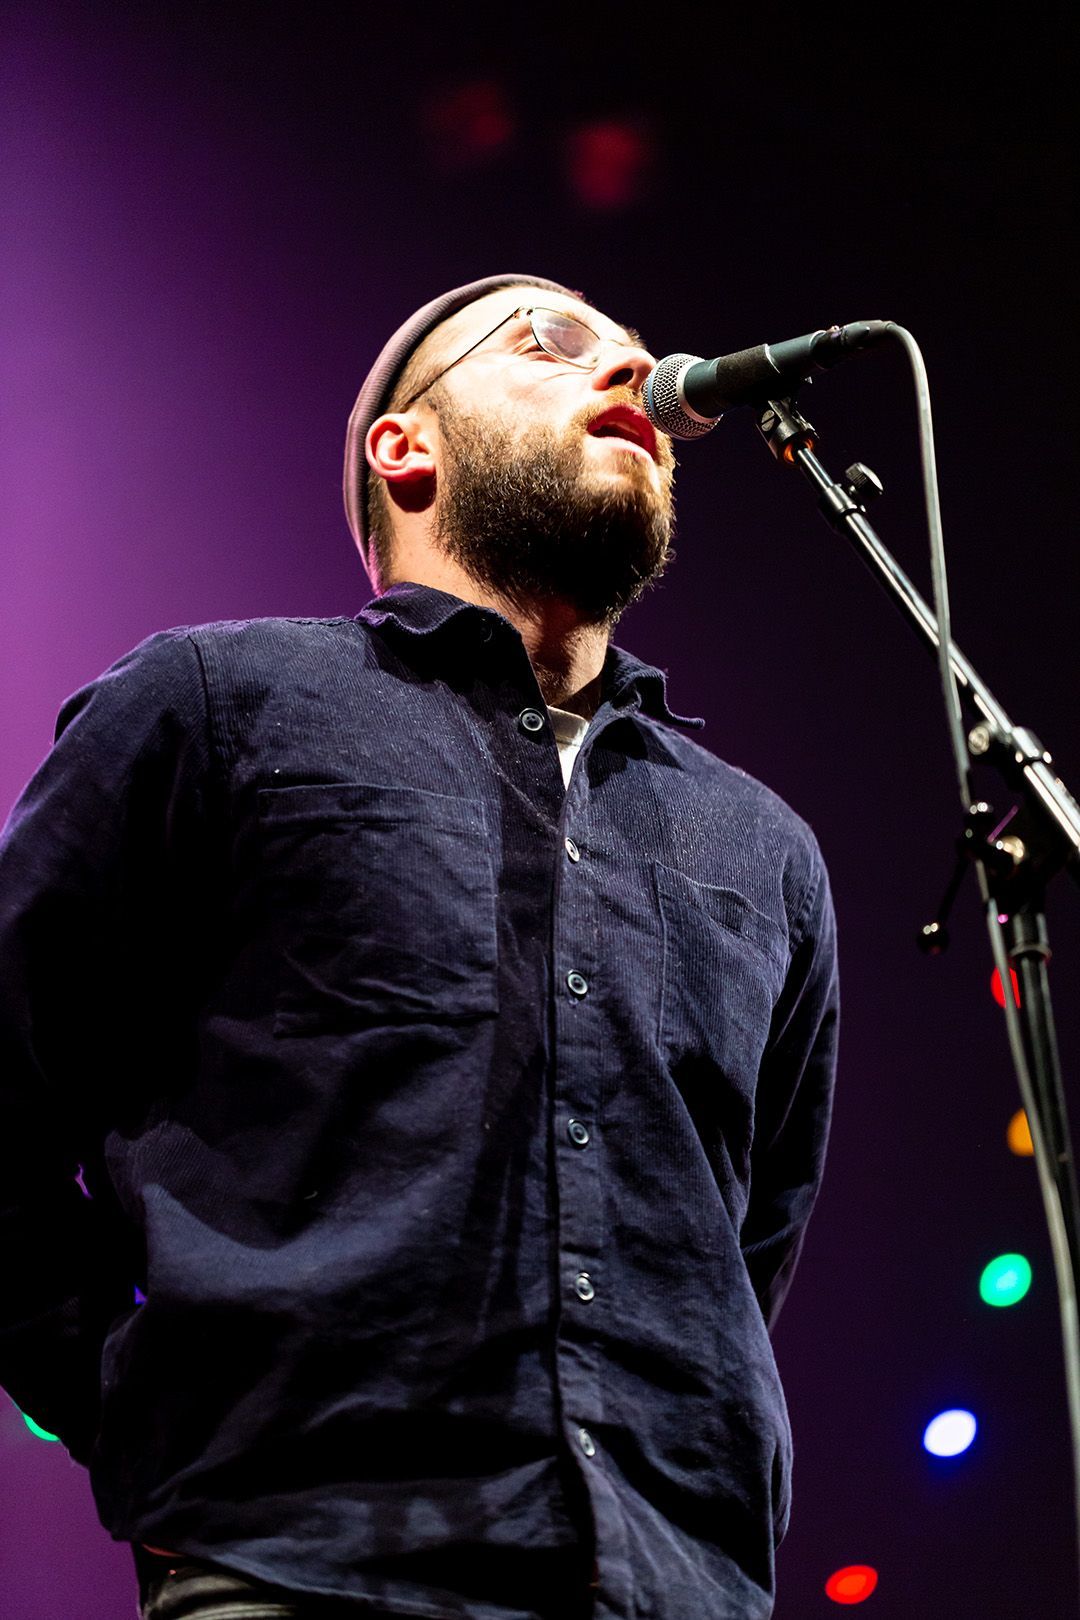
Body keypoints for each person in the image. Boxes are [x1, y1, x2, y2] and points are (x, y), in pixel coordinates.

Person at [0, 273, 839, 1620]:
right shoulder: (218, 707)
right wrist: (138, 1401)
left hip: (671, 1587)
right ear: (408, 446)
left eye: (635, 354)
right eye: (554, 343)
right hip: (299, 1561)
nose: (629, 373)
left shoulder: (763, 846)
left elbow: (744, 1247)